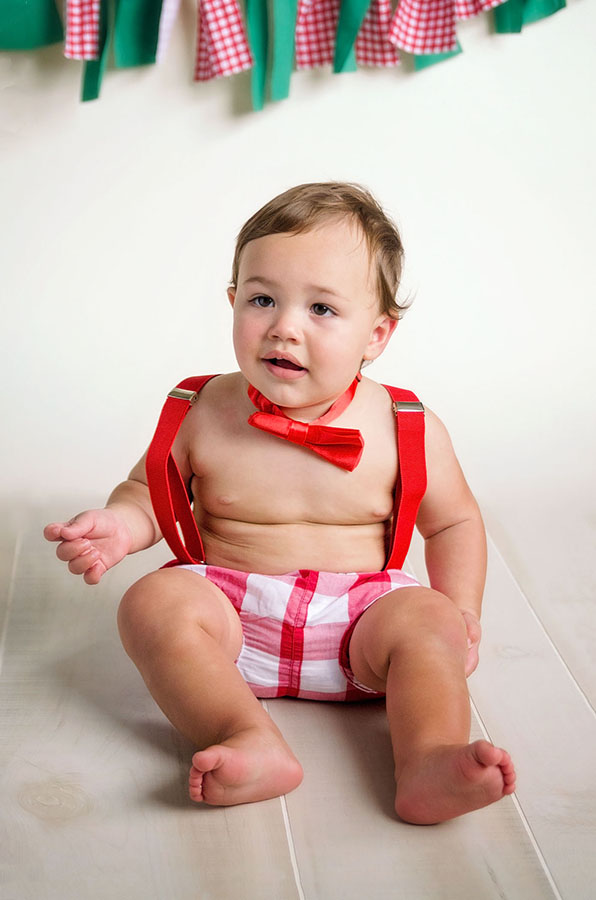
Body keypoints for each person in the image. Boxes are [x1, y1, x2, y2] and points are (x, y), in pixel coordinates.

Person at [44, 182, 516, 824]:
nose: (284, 327)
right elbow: (150, 495)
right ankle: (243, 732)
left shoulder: (406, 425)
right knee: (151, 602)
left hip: (363, 624)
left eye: (322, 309)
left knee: (427, 620)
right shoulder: (203, 409)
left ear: (377, 335)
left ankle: (430, 758)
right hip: (231, 619)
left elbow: (455, 520)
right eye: (263, 299)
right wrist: (120, 526)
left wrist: (461, 612)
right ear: (234, 301)